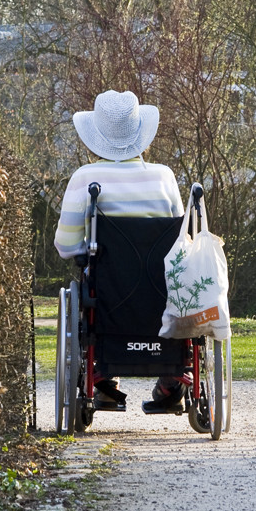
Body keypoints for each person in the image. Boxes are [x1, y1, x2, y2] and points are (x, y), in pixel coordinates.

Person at [54, 89, 186, 414]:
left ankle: (103, 382)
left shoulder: (85, 179)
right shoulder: (164, 176)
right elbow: (182, 240)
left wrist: (89, 256)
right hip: (163, 291)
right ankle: (172, 381)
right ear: (140, 133)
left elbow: (66, 245)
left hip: (109, 295)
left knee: (94, 287)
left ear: (96, 136)